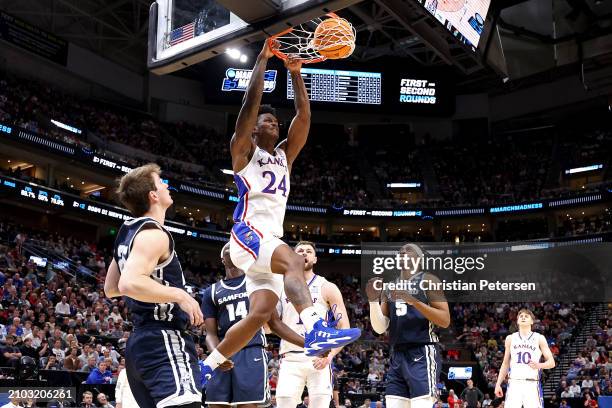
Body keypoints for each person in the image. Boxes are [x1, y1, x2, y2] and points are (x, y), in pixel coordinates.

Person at [200, 41, 360, 384]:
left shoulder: (285, 156)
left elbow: (304, 117)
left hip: (266, 240)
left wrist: (296, 74)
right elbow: (249, 105)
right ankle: (318, 327)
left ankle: (209, 363)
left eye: (275, 120)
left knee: (260, 316)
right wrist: (263, 59)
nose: (273, 123)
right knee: (293, 261)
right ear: (254, 129)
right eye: (266, 120)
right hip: (246, 233)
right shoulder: (243, 152)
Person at [104, 163, 202, 407]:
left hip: (139, 343)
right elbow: (128, 283)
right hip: (163, 338)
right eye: (161, 183)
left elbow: (111, 288)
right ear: (153, 195)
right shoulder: (154, 234)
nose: (167, 186)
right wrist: (179, 294)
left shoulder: (127, 231)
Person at [201, 242, 304, 407]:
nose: (230, 245)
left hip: (251, 351)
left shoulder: (257, 283)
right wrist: (216, 356)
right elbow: (211, 334)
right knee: (216, 404)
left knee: (248, 405)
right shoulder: (211, 292)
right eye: (226, 247)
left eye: (234, 247)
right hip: (223, 351)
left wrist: (306, 344)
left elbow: (276, 324)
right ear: (222, 260)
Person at [367, 243, 451, 408]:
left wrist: (413, 300)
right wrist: (372, 301)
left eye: (409, 251)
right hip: (397, 354)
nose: (404, 252)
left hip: (421, 351)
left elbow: (445, 320)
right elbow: (380, 328)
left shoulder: (428, 280)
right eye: (401, 252)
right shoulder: (390, 286)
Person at [276, 241, 354, 408]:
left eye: (309, 251)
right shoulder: (280, 287)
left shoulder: (327, 287)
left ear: (315, 259)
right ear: (292, 257)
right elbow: (271, 326)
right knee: (283, 403)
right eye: (300, 250)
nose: (304, 253)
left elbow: (344, 328)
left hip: (319, 358)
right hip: (290, 357)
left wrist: (330, 356)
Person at [495, 309, 556, 408]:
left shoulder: (539, 338)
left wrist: (539, 365)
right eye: (521, 316)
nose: (523, 317)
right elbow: (505, 363)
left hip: (532, 384)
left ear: (532, 321)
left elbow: (552, 362)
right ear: (517, 320)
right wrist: (498, 384)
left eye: (526, 316)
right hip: (514, 384)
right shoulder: (510, 338)